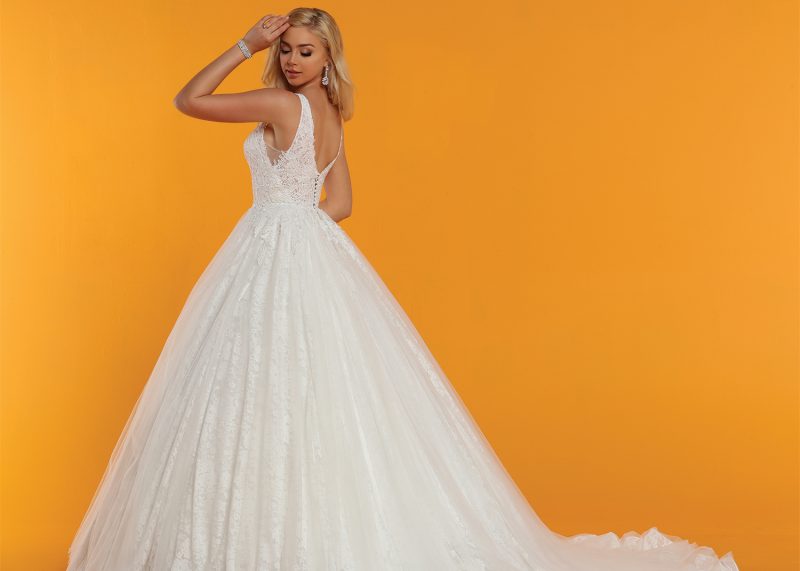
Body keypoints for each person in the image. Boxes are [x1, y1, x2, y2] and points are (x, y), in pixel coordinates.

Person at [67, 7, 739, 570]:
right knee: (312, 392)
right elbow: (341, 202)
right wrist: (304, 232)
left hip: (271, 247)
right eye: (286, 49)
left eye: (305, 51)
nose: (292, 60)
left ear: (327, 57)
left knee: (260, 387)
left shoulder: (280, 103)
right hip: (307, 252)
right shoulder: (331, 112)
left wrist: (245, 46)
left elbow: (188, 100)